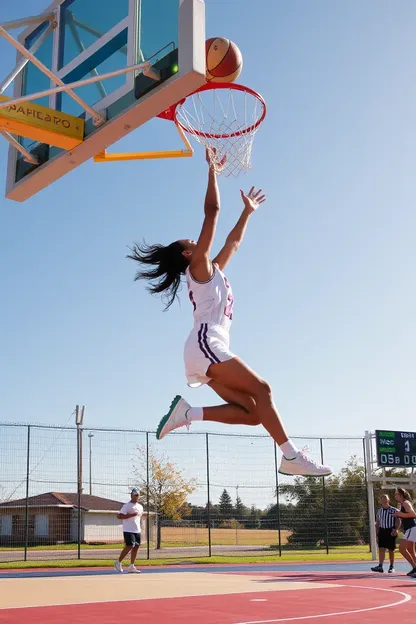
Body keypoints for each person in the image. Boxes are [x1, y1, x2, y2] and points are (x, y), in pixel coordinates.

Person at [128, 150, 332, 477]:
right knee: (264, 391)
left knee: (253, 413)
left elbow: (233, 243)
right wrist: (212, 172)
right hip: (206, 343)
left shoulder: (213, 270)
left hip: (205, 347)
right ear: (188, 253)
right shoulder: (197, 267)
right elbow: (212, 212)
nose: (199, 240)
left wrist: (248, 212)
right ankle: (290, 455)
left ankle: (187, 413)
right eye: (193, 240)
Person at [114, 488, 143, 573]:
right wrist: (130, 515)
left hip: (137, 530)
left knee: (136, 547)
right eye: (135, 495)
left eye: (137, 495)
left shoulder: (140, 507)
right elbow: (119, 516)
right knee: (130, 545)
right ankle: (118, 561)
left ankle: (131, 566)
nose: (136, 497)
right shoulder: (126, 506)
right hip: (128, 529)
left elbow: (138, 518)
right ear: (131, 495)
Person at [371, 494, 400, 573]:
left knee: (391, 549)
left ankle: (391, 566)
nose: (383, 501)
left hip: (390, 530)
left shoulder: (394, 510)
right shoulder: (379, 511)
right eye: (382, 499)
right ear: (380, 501)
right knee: (381, 548)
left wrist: (396, 529)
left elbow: (398, 521)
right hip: (382, 530)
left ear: (388, 500)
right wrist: (377, 534)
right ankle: (380, 566)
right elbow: (377, 523)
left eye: (385, 499)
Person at [393, 487, 416, 577]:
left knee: (401, 549)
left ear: (401, 495)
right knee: (410, 550)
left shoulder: (406, 503)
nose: (395, 496)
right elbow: (404, 517)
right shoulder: (401, 504)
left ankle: (414, 567)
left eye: (396, 494)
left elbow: (413, 514)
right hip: (409, 528)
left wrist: (400, 514)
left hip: (412, 528)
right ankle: (415, 567)